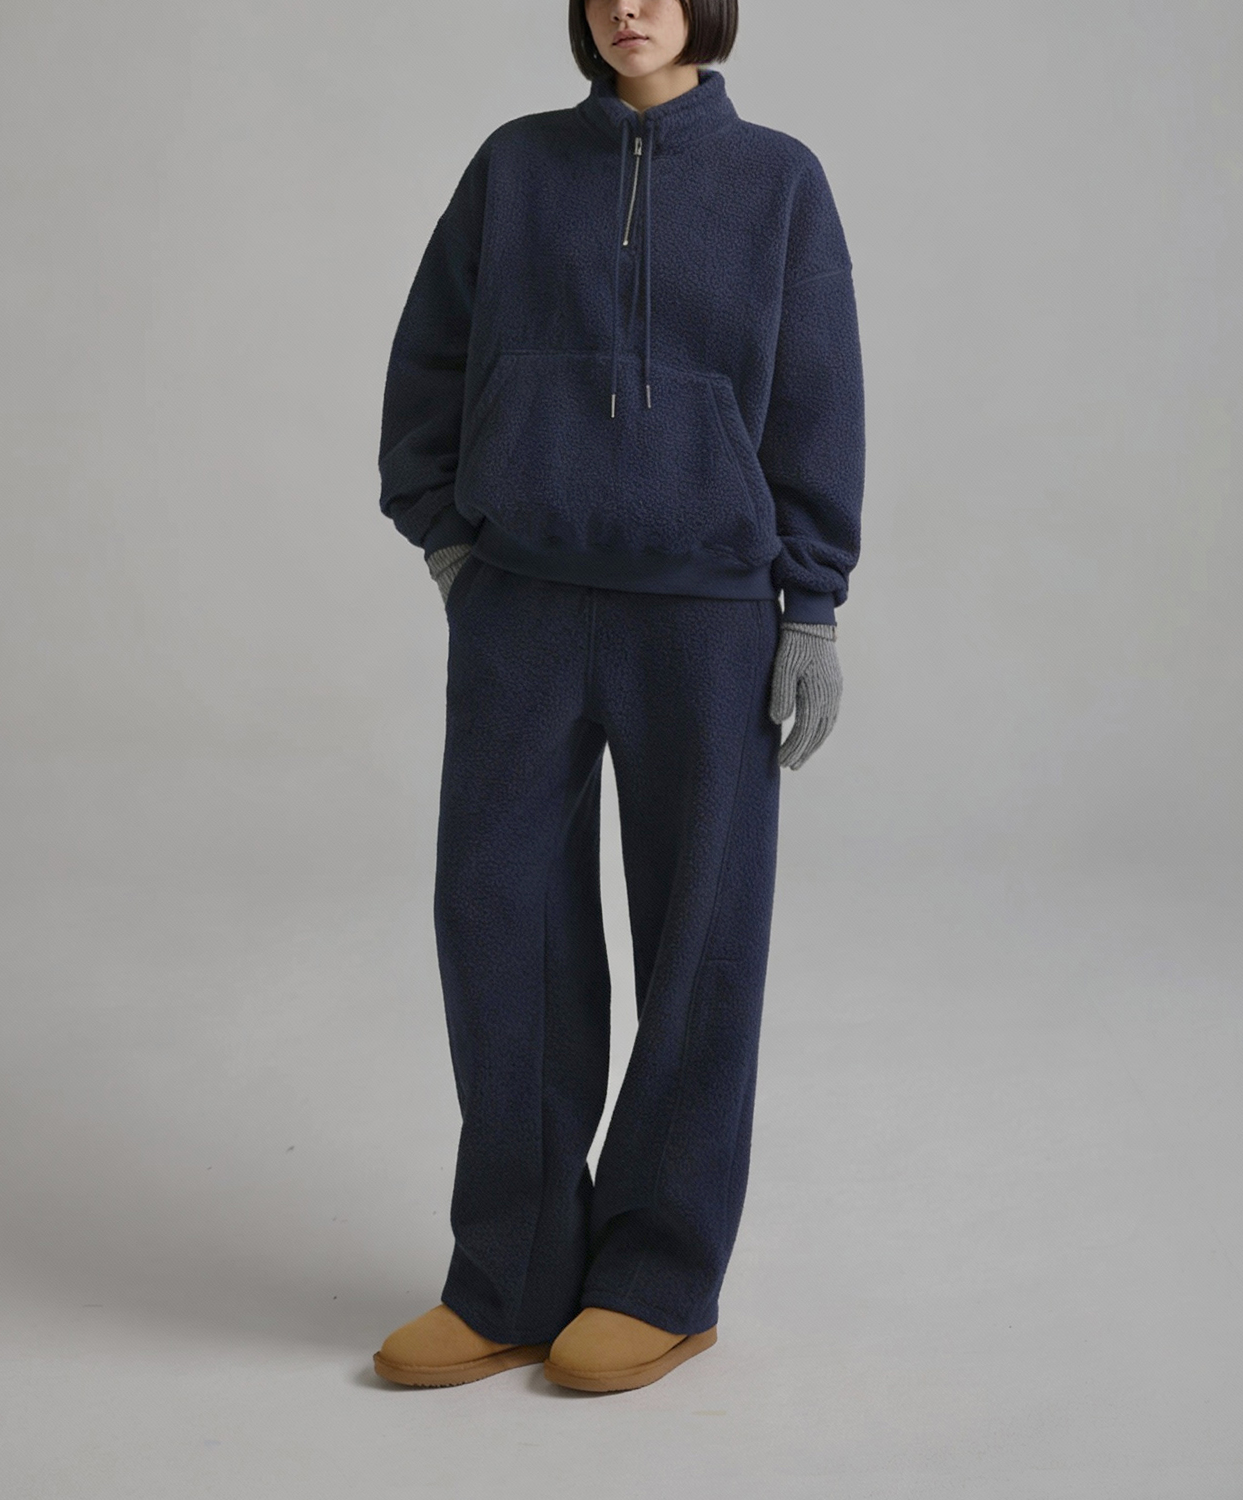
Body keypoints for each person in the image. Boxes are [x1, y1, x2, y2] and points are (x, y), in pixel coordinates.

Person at [372, 0, 864, 1393]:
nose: (627, 6)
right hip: (522, 602)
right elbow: (430, 357)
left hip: (706, 619)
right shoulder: (515, 165)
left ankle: (658, 1278)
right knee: (499, 926)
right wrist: (448, 537)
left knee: (698, 940)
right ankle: (512, 1276)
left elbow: (818, 398)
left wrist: (809, 607)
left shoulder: (778, 182)